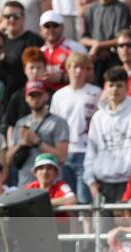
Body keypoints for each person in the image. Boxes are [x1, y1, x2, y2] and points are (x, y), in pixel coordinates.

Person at [83, 67, 131, 203]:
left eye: (119, 85)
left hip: (128, 183)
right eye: (111, 85)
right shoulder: (98, 117)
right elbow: (90, 152)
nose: (115, 89)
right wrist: (91, 183)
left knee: (125, 218)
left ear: (127, 88)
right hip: (101, 184)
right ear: (105, 87)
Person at [50, 52, 101, 206]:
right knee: (68, 198)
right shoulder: (59, 95)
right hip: (64, 152)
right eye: (74, 67)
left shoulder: (96, 93)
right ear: (67, 69)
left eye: (82, 68)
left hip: (86, 150)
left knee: (84, 198)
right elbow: (54, 125)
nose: (78, 71)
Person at [8, 80, 70, 187]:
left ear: (46, 96)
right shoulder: (20, 123)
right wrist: (21, 144)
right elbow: (8, 159)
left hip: (51, 185)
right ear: (26, 98)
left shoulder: (58, 122)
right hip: (25, 183)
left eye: (39, 95)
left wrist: (38, 142)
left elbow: (62, 157)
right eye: (32, 96)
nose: (35, 99)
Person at [25, 152, 77, 237]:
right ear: (35, 173)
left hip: (59, 231)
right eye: (41, 168)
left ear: (56, 173)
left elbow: (72, 199)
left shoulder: (62, 185)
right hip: (36, 232)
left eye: (49, 168)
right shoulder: (29, 188)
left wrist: (42, 202)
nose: (45, 172)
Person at [0, 2, 44, 97]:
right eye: (7, 16)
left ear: (23, 18)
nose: (11, 19)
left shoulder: (33, 41)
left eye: (16, 16)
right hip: (1, 96)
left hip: (25, 96)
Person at [81, 0, 131, 78]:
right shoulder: (91, 9)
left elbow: (123, 37)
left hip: (114, 57)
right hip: (95, 57)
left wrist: (99, 45)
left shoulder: (121, 9)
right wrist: (96, 44)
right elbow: (83, 39)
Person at [40, 10, 85, 91]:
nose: (51, 29)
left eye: (55, 25)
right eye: (47, 26)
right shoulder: (39, 52)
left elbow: (88, 75)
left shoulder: (75, 48)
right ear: (41, 29)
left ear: (62, 27)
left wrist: (62, 77)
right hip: (45, 95)